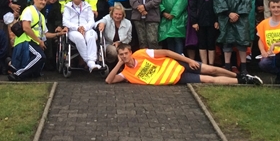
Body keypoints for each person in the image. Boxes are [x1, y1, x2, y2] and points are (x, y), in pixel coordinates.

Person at [105, 43, 262, 85]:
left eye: (126, 53)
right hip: (176, 78)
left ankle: (239, 75)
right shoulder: (126, 73)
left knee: (211, 69)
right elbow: (109, 81)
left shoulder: (141, 53)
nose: (124, 56)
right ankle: (243, 81)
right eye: (121, 55)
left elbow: (167, 52)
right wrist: (119, 64)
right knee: (209, 80)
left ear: (130, 52)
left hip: (178, 64)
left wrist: (189, 60)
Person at [214, 0, 252, 75]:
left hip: (240, 17)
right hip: (226, 17)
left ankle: (243, 68)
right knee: (227, 41)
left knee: (242, 42)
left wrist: (237, 13)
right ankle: (227, 67)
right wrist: (228, 13)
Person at [8, 0, 49, 81]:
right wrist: (39, 41)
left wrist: (59, 34)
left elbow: (46, 34)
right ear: (34, 0)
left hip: (34, 41)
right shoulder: (29, 10)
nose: (43, 2)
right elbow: (26, 28)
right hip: (26, 40)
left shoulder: (41, 16)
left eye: (45, 0)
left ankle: (27, 73)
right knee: (39, 56)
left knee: (41, 58)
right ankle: (18, 74)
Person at [63, 0, 101, 72]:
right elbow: (65, 22)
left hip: (87, 29)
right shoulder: (67, 7)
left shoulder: (88, 6)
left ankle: (92, 61)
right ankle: (90, 62)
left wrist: (84, 28)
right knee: (79, 38)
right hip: (73, 30)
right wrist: (77, 28)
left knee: (91, 36)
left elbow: (91, 21)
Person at [190, 0, 219, 66]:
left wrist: (217, 20)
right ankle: (204, 65)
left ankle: (211, 65)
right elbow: (193, 6)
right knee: (202, 43)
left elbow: (218, 5)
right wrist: (194, 21)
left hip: (212, 20)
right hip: (200, 20)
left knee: (211, 43)